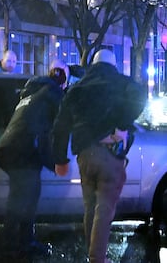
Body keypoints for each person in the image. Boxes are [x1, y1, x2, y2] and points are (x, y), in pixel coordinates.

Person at [51, 49, 147, 263]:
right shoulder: (121, 83)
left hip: (85, 154)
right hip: (110, 155)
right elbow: (140, 96)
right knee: (104, 211)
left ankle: (92, 255)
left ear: (93, 64)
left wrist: (59, 159)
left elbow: (60, 126)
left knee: (90, 208)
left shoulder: (77, 88)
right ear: (113, 65)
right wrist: (121, 125)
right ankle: (97, 259)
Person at [0, 63, 68, 259]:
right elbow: (48, 133)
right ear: (62, 84)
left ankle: (22, 241)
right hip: (23, 151)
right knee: (22, 199)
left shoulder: (31, 94)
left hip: (9, 148)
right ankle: (11, 246)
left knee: (26, 195)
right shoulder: (53, 95)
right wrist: (55, 163)